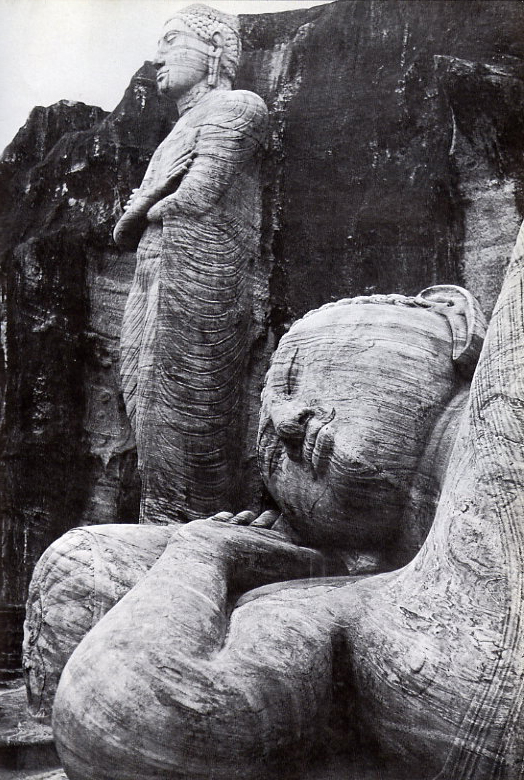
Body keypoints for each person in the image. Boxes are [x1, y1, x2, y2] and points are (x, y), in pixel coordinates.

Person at [115, 4, 268, 524]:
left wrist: (147, 204)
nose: (156, 57)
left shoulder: (238, 107)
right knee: (140, 399)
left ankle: (190, 523)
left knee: (185, 406)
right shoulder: (175, 134)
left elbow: (193, 198)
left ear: (216, 49)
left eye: (171, 41)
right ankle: (157, 516)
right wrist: (150, 202)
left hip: (198, 269)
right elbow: (127, 227)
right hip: (151, 273)